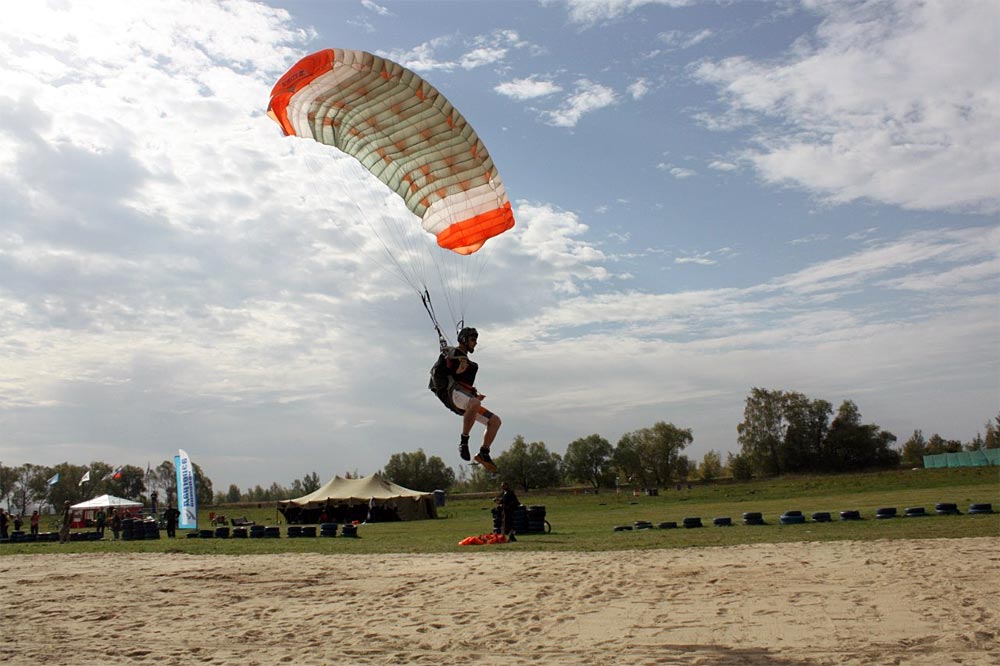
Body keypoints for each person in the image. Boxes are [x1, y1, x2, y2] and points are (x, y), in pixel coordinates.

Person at [429, 326, 501, 473]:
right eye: (473, 339)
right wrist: (452, 364)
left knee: (495, 421)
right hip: (452, 393)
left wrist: (473, 393)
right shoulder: (451, 354)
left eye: (476, 340)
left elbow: (465, 383)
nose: (475, 343)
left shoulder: (469, 364)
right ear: (464, 340)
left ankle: (484, 453)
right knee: (474, 403)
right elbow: (437, 373)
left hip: (465, 399)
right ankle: (464, 441)